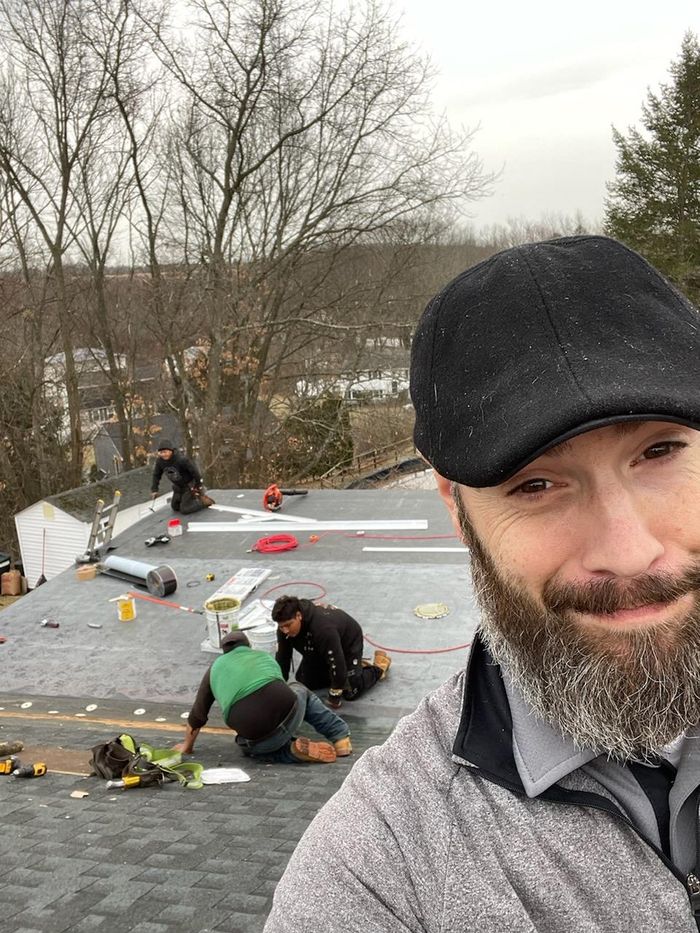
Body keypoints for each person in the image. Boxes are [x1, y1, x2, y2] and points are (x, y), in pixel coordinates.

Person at [264, 236, 700, 931]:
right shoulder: (378, 874)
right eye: (536, 483)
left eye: (659, 450)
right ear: (455, 507)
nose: (628, 552)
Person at [175, 631, 352, 763]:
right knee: (299, 690)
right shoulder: (263, 656)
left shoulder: (214, 670)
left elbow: (197, 716)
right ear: (248, 645)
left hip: (260, 738)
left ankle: (289, 751)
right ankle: (340, 737)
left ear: (224, 652)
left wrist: (187, 747)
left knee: (245, 745)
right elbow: (279, 690)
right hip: (288, 711)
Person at [272, 595, 391, 709]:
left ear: (299, 616)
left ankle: (378, 668)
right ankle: (353, 668)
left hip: (347, 645)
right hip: (318, 646)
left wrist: (335, 695)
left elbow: (336, 661)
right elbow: (283, 657)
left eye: (288, 625)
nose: (285, 630)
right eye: (281, 627)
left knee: (351, 691)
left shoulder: (323, 629)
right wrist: (278, 689)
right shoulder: (284, 627)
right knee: (306, 682)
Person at [150, 438, 214, 514]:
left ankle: (203, 501)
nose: (163, 454)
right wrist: (154, 489)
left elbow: (195, 471)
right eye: (161, 452)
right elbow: (156, 475)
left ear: (171, 451)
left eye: (165, 452)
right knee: (175, 507)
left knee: (185, 509)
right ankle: (191, 499)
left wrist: (198, 485)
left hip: (189, 485)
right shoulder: (160, 461)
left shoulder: (181, 459)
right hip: (178, 487)